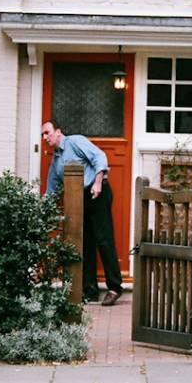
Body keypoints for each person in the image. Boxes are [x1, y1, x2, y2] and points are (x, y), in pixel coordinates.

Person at [41, 119, 124, 306]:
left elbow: (100, 157)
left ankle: (114, 288)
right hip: (78, 201)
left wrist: (97, 182)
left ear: (59, 132)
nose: (45, 137)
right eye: (43, 135)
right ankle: (89, 290)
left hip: (97, 193)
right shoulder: (55, 161)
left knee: (103, 240)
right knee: (84, 244)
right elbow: (52, 191)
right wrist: (41, 213)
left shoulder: (75, 142)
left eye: (48, 133)